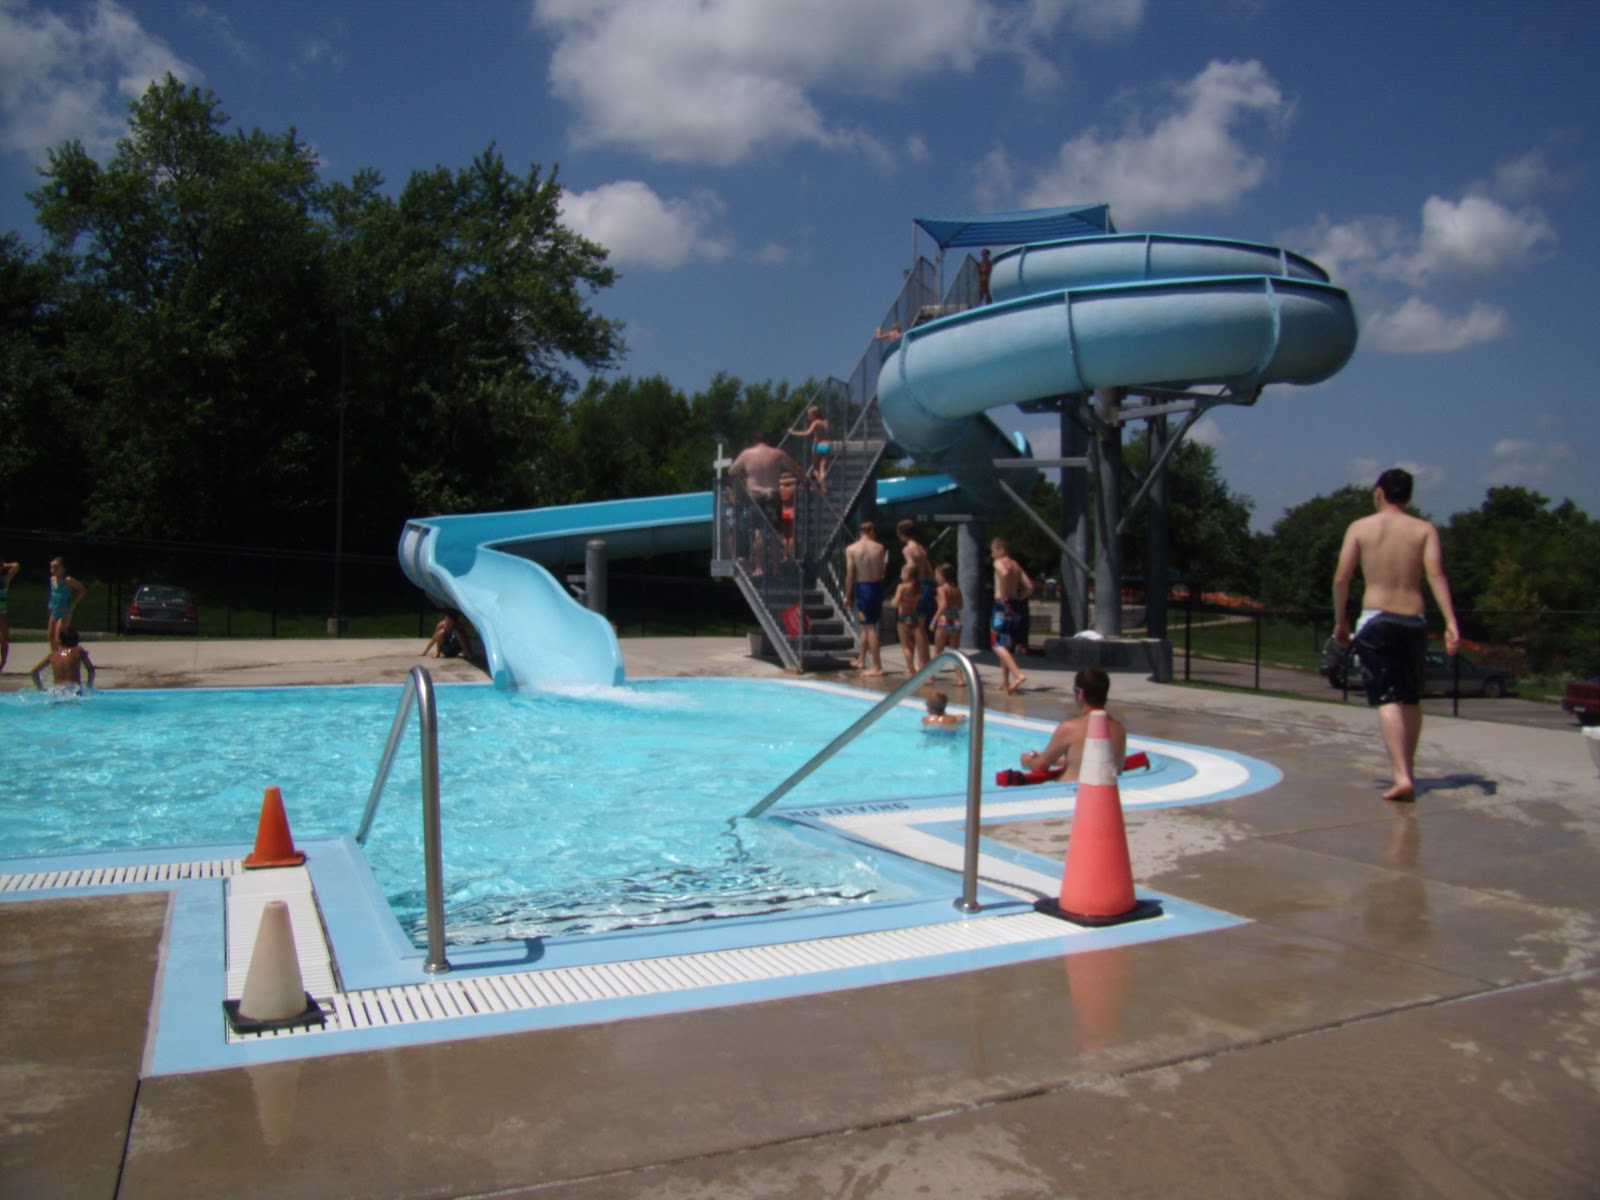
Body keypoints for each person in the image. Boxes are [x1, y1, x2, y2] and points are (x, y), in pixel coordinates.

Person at [1333, 467, 1461, 802]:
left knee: (1387, 697)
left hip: (1377, 619)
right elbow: (1436, 575)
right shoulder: (1424, 530)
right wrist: (1451, 622)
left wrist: (1340, 621)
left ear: (1379, 493)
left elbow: (1341, 578)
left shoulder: (1360, 528)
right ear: (1409, 496)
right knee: (1410, 697)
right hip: (1413, 619)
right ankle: (1409, 767)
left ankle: (1400, 775)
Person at [1018, 667, 1126, 782]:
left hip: (1070, 792)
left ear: (1080, 693)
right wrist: (1059, 761)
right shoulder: (1119, 730)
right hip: (1106, 795)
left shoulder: (1069, 728)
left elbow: (1039, 766)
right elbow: (1105, 765)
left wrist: (1026, 760)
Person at [728, 433, 805, 570]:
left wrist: (745, 480)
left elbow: (731, 471)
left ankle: (759, 567)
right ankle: (775, 567)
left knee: (758, 531)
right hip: (773, 493)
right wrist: (804, 479)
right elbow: (794, 468)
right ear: (767, 441)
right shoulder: (777, 453)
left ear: (754, 442)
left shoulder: (746, 454)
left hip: (756, 494)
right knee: (775, 532)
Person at [989, 537, 1033, 694]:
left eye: (993, 551)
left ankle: (1018, 674)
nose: (992, 554)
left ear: (1001, 550)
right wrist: (1018, 597)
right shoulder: (1016, 565)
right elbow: (1029, 587)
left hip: (1003, 605)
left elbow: (1004, 573)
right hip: (1015, 605)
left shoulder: (999, 563)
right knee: (1005, 642)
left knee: (996, 643)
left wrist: (1003, 595)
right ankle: (1005, 680)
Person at [843, 520, 888, 677]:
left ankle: (877, 665)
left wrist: (847, 595)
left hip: (863, 588)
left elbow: (850, 575)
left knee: (869, 627)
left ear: (861, 532)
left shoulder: (852, 549)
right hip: (876, 587)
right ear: (871, 532)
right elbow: (882, 571)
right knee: (866, 625)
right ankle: (861, 659)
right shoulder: (880, 548)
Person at [896, 519, 935, 670]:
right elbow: (929, 569)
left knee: (916, 626)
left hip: (916, 585)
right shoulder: (920, 548)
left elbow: (911, 569)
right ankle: (925, 661)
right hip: (926, 584)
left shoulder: (908, 549)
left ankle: (920, 663)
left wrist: (905, 584)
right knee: (922, 626)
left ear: (901, 533)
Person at [30, 626, 96, 696]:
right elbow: (91, 670)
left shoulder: (53, 655)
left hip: (57, 691)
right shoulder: (78, 650)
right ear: (76, 641)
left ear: (60, 641)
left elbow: (33, 671)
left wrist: (41, 689)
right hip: (73, 690)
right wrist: (88, 688)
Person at [930, 563, 965, 685]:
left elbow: (944, 605)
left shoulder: (941, 589)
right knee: (955, 651)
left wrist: (934, 620)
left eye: (937, 575)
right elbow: (960, 606)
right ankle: (959, 678)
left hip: (944, 622)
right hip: (956, 621)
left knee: (938, 650)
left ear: (943, 576)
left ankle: (931, 676)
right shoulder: (956, 589)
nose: (935, 578)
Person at [788, 405, 833, 491]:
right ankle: (824, 486)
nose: (808, 418)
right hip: (826, 445)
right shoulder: (825, 422)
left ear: (814, 415)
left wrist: (793, 432)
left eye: (809, 415)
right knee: (822, 468)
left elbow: (807, 433)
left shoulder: (815, 423)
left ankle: (821, 484)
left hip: (817, 446)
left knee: (816, 469)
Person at [46, 557, 86, 649]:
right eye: (51, 568)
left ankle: (63, 657)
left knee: (59, 637)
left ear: (63, 569)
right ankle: (55, 658)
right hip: (54, 610)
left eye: (56, 568)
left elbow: (82, 590)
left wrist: (73, 603)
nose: (53, 570)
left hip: (65, 612)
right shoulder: (52, 579)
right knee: (51, 637)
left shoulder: (68, 580)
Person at [892, 563, 920, 674]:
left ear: (907, 574)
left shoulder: (902, 587)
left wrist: (894, 601)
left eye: (902, 573)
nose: (901, 575)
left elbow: (895, 603)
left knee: (905, 646)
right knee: (912, 643)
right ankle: (911, 666)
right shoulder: (917, 587)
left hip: (903, 618)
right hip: (914, 617)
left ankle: (911, 668)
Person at [0, 557, 18, 671]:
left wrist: (4, 565)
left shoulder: (4, 579)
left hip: (2, 613)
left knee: (4, 639)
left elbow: (16, 565)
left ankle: (2, 663)